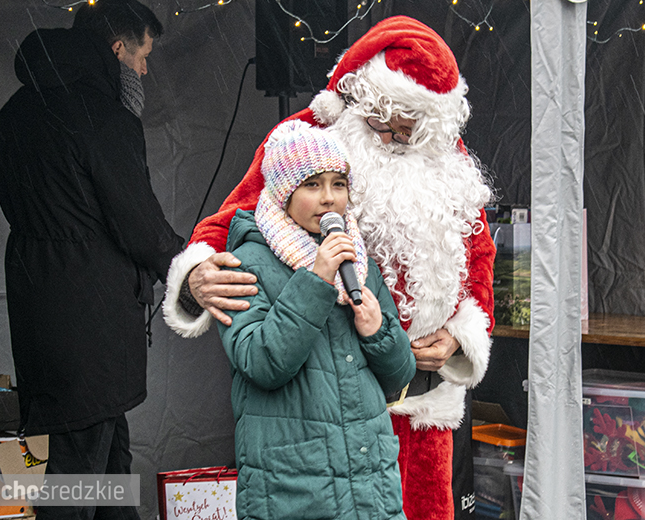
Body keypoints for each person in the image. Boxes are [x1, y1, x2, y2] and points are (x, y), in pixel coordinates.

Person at [164, 16, 495, 520]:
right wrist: (195, 277)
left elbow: (479, 262)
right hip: (327, 400)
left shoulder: (449, 161)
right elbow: (233, 218)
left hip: (428, 398)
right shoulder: (308, 140)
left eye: (412, 126)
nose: (398, 135)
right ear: (365, 97)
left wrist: (460, 336)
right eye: (388, 120)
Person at [0, 1, 183, 518]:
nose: (144, 70)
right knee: (71, 478)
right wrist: (188, 268)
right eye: (142, 56)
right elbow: (138, 222)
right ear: (116, 49)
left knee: (105, 454)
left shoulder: (14, 112)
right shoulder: (103, 115)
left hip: (37, 309)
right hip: (89, 321)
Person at [217, 120, 415, 519]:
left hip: (369, 484)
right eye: (312, 185)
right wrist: (316, 280)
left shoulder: (358, 263)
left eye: (338, 184)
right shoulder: (243, 263)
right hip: (295, 488)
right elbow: (262, 363)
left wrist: (379, 333)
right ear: (283, 193)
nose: (329, 199)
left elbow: (399, 378)